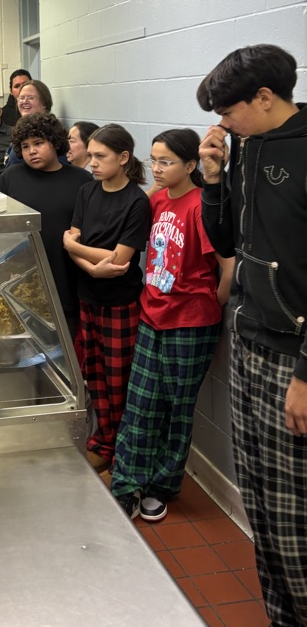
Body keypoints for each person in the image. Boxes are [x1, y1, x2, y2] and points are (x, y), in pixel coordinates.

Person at [197, 44, 307, 627]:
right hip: (252, 338)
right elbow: (226, 240)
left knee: (298, 514)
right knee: (262, 498)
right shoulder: (248, 148)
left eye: (228, 111)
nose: (221, 123)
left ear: (265, 97)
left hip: (296, 359)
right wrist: (215, 177)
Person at [111, 129, 234, 522]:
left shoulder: (201, 205)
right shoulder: (157, 199)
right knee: (141, 403)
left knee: (177, 409)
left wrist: (208, 303)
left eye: (166, 162)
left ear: (190, 166)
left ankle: (162, 486)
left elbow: (228, 266)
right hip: (152, 314)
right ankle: (127, 483)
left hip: (191, 325)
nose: (157, 169)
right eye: (153, 160)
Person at [63, 124, 151, 471]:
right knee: (94, 374)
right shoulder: (87, 191)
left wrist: (74, 247)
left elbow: (120, 259)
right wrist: (90, 265)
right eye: (92, 155)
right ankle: (102, 441)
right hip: (89, 295)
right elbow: (86, 251)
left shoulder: (136, 202)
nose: (93, 162)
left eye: (101, 156)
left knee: (119, 381)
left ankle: (121, 449)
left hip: (120, 303)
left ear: (124, 158)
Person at [0, 113, 92, 334]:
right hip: (22, 283)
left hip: (68, 281)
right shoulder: (11, 178)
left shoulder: (81, 180)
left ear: (55, 142)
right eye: (25, 146)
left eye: (38, 143)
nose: (31, 151)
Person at [1, 80, 54, 171]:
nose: (24, 101)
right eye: (21, 98)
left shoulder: (51, 133)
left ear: (44, 104)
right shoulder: (22, 131)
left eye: (31, 97)